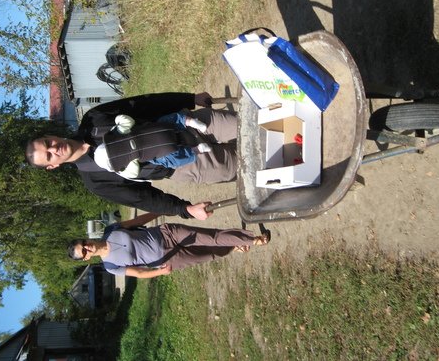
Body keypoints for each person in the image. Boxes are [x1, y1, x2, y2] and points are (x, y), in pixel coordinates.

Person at [26, 92, 237, 220]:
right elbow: (142, 198)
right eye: (49, 156)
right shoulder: (95, 181)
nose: (54, 149)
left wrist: (189, 99)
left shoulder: (93, 119)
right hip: (188, 165)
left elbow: (142, 103)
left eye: (48, 143)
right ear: (52, 166)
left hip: (187, 124)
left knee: (251, 125)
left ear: (50, 136)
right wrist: (185, 209)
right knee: (250, 166)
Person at [67, 211, 270, 278]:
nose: (87, 247)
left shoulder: (111, 230)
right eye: (84, 251)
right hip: (167, 259)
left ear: (86, 239)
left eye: (84, 243)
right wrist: (159, 272)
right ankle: (233, 246)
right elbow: (139, 273)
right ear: (86, 258)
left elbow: (138, 221)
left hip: (167, 234)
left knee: (210, 237)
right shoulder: (111, 266)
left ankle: (253, 240)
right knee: (209, 254)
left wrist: (160, 210)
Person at [93, 112, 213, 179]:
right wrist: (116, 123)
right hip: (159, 128)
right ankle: (191, 122)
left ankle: (197, 149)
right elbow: (128, 120)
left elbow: (134, 173)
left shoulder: (125, 164)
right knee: (172, 119)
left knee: (171, 161)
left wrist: (121, 172)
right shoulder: (119, 132)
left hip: (161, 152)